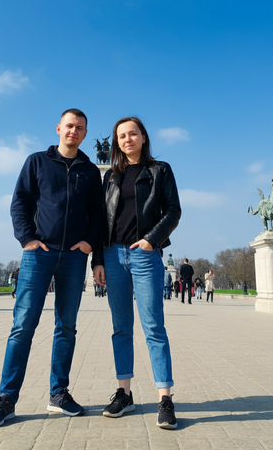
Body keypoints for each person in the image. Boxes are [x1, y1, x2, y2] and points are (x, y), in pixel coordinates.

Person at [0, 109, 102, 427]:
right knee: (23, 326)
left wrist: (89, 243)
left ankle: (58, 394)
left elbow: (98, 214)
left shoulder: (91, 171)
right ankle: (6, 399)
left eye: (80, 128)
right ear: (59, 128)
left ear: (85, 134)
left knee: (66, 327)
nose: (74, 131)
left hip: (74, 257)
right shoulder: (36, 161)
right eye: (69, 126)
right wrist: (27, 239)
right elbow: (20, 201)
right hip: (39, 254)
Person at [93, 116, 181, 430]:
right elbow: (102, 221)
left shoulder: (160, 170)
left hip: (144, 255)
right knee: (121, 328)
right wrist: (97, 261)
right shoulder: (111, 176)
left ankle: (165, 398)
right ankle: (125, 393)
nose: (127, 139)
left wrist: (151, 240)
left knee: (154, 327)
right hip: (113, 255)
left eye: (133, 134)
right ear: (116, 142)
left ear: (143, 137)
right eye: (121, 136)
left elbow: (173, 210)